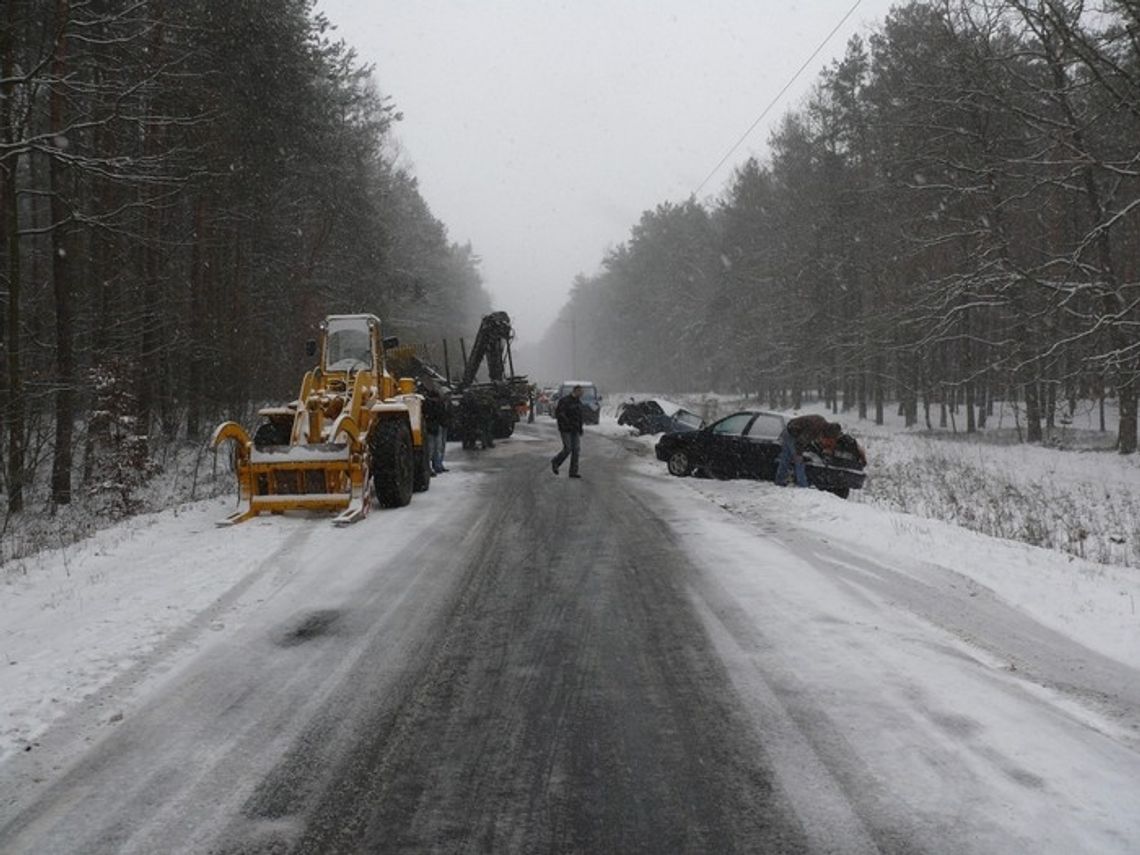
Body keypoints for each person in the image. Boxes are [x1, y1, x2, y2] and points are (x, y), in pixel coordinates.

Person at [774, 414, 842, 487]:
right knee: (799, 461)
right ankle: (803, 486)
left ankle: (779, 480)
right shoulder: (815, 428)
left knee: (785, 459)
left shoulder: (821, 423)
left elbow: (810, 440)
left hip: (788, 431)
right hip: (792, 434)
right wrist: (799, 454)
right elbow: (800, 442)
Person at [551, 384, 585, 478]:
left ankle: (573, 472)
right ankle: (556, 462)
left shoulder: (579, 402)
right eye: (580, 392)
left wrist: (580, 428)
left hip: (576, 430)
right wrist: (567, 424)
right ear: (575, 391)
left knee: (576, 450)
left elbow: (580, 417)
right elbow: (560, 414)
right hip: (566, 429)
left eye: (582, 392)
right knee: (568, 448)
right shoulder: (565, 401)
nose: (582, 394)